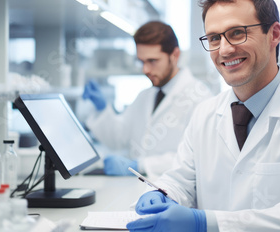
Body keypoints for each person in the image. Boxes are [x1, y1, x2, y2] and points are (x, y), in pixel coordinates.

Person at [126, 0, 280, 231]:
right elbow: (182, 178)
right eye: (214, 38)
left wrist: (205, 223)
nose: (224, 49)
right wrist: (164, 193)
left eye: (237, 33)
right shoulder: (204, 114)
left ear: (275, 34)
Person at [83, 21, 213, 178]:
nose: (145, 70)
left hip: (174, 192)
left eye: (152, 61)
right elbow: (119, 138)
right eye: (141, 61)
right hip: (138, 187)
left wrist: (141, 165)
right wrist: (102, 109)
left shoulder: (200, 98)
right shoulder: (145, 96)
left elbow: (196, 158)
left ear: (175, 55)